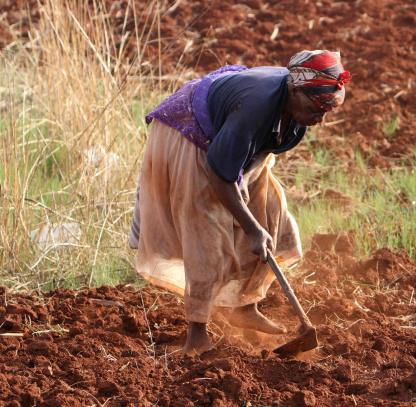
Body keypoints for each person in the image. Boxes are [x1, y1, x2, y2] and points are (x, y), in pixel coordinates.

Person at [128, 50, 351, 355]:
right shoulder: (256, 107)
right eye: (317, 107)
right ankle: (197, 332)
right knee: (208, 229)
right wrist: (250, 227)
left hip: (233, 142)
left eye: (329, 110)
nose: (321, 118)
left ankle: (244, 306)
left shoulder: (298, 111)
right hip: (192, 134)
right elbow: (220, 174)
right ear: (295, 90)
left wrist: (255, 221)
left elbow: (250, 155)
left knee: (271, 213)